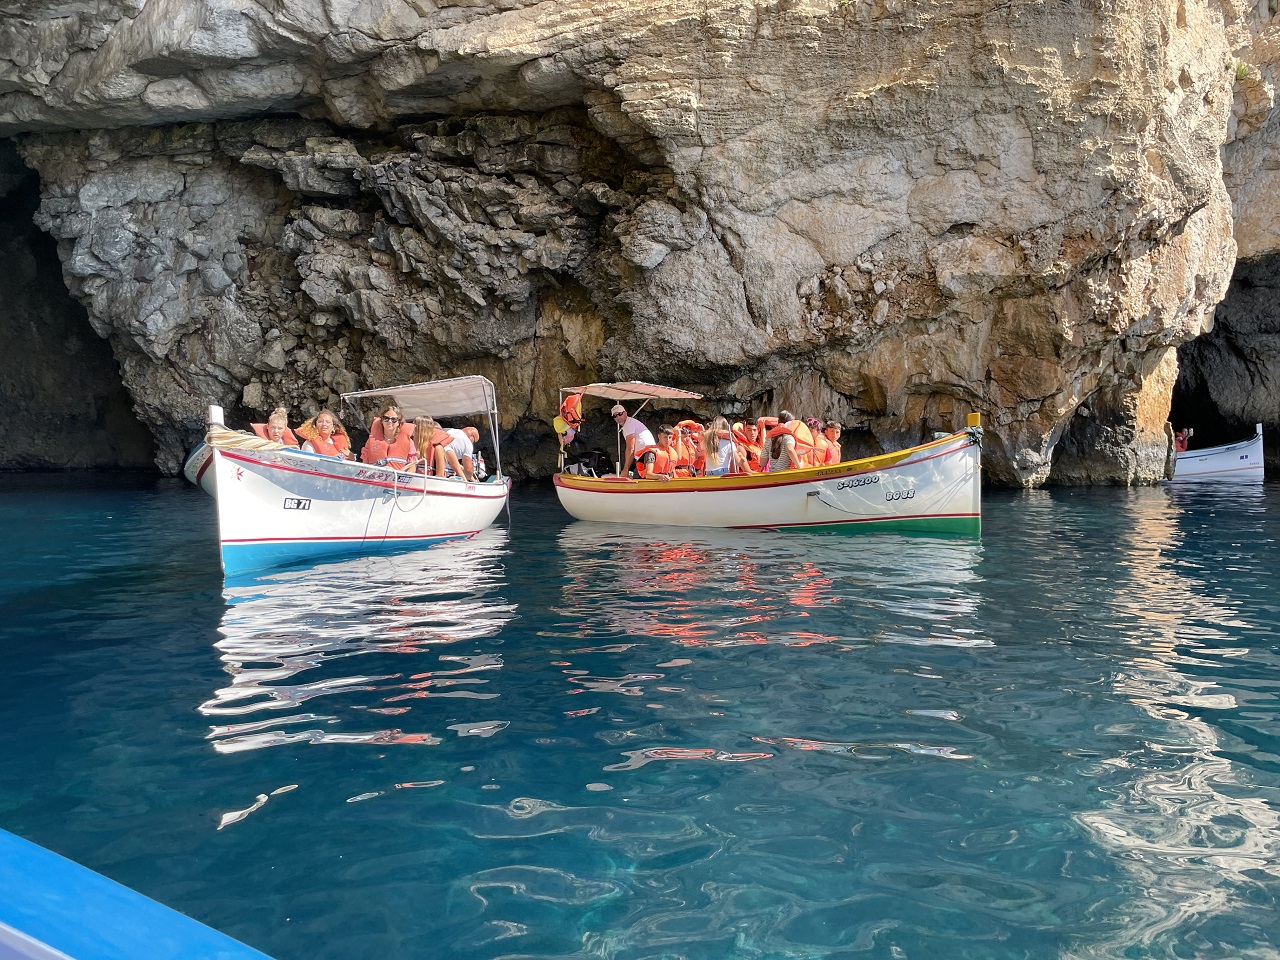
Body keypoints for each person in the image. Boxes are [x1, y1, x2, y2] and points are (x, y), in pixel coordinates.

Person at [612, 404, 657, 477]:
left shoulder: (628, 425)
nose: (618, 417)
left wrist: (625, 469)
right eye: (615, 416)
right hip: (648, 455)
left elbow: (630, 448)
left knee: (639, 478)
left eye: (620, 414)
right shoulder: (631, 422)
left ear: (625, 413)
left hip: (647, 455)